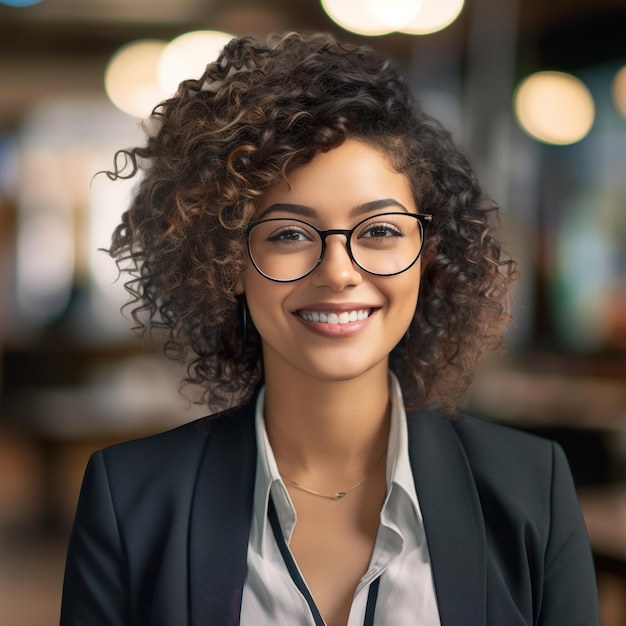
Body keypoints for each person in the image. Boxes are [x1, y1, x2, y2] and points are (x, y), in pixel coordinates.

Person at [60, 32, 600, 626]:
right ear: (227, 262)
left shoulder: (533, 489)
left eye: (380, 231)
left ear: (429, 253)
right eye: (289, 234)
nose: (339, 272)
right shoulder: (130, 500)